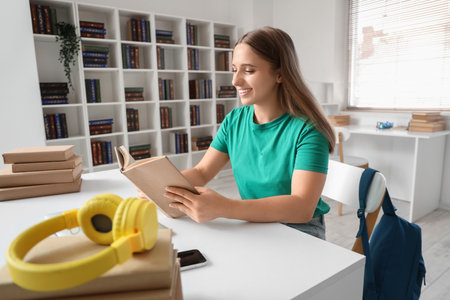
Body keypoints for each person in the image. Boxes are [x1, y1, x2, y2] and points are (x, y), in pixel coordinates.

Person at [163, 26, 335, 240]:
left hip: (301, 230)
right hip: (255, 224)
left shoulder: (308, 131)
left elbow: (301, 207)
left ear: (280, 74)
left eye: (248, 70)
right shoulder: (234, 120)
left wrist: (224, 207)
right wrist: (160, 186)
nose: (235, 81)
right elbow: (202, 172)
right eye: (234, 69)